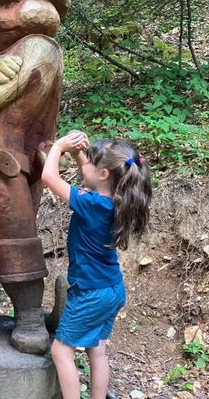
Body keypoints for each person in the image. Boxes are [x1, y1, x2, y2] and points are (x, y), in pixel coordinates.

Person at [41, 130, 152, 399]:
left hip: (90, 293)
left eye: (89, 162)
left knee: (61, 351)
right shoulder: (116, 201)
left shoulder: (91, 204)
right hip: (112, 289)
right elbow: (90, 177)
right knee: (97, 350)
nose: (84, 166)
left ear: (104, 175)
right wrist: (79, 153)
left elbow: (48, 178)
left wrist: (58, 147)